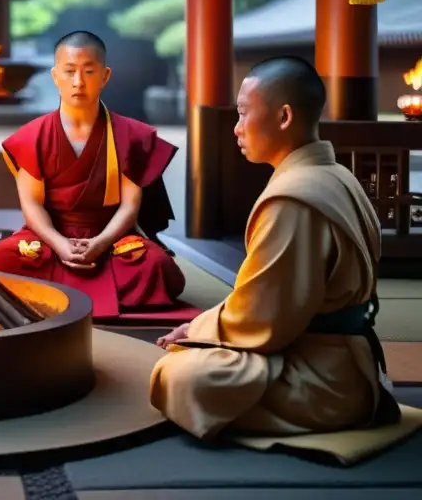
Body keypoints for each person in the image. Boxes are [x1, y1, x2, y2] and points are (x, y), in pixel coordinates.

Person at [150, 56, 399, 439]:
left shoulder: (294, 199)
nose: (236, 128)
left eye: (244, 113)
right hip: (339, 354)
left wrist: (197, 331)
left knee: (181, 376)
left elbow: (262, 320)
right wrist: (198, 327)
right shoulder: (338, 177)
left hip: (322, 375)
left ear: (283, 117)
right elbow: (265, 300)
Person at [0, 31, 187, 319]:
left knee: (157, 267)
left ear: (104, 76)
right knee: (0, 258)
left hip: (111, 239)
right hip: (50, 239)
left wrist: (100, 243)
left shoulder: (130, 135)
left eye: (89, 71)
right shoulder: (33, 136)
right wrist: (60, 244)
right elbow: (32, 204)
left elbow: (130, 205)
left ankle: (49, 295)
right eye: (69, 72)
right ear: (55, 76)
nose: (78, 82)